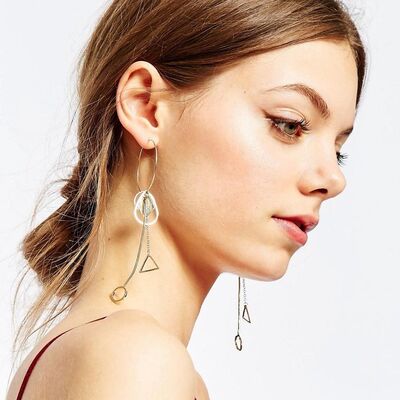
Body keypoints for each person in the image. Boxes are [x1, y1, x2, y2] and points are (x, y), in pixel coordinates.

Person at [6, 0, 367, 398]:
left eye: (338, 151)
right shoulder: (135, 360)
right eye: (289, 125)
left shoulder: (92, 352)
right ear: (146, 108)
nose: (333, 179)